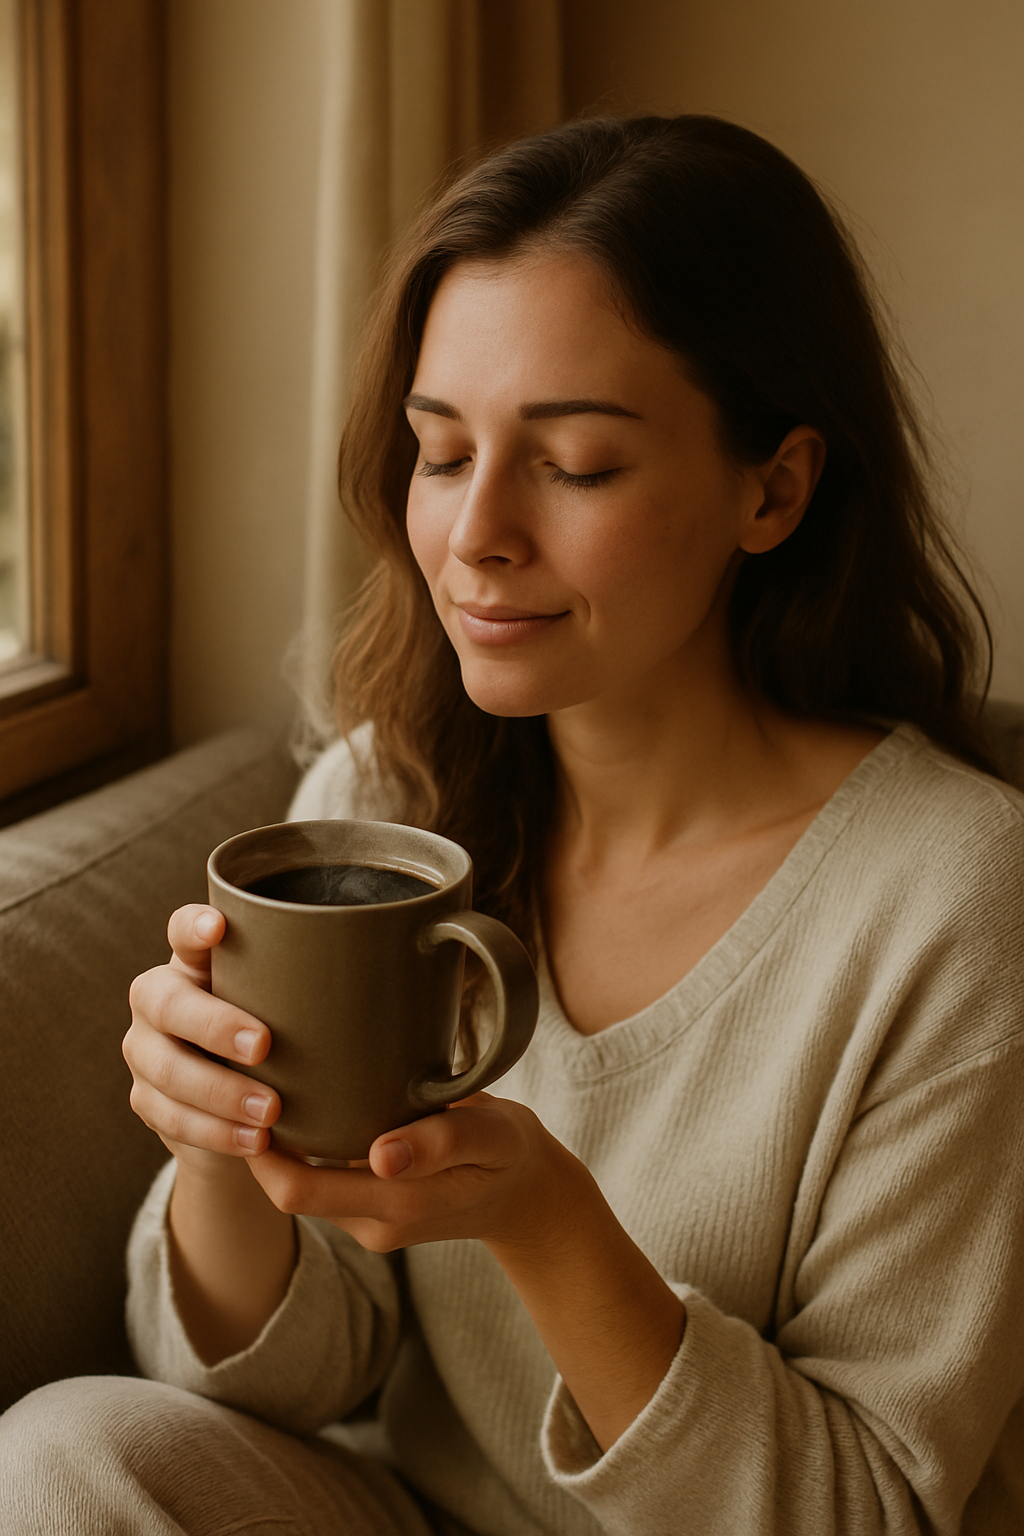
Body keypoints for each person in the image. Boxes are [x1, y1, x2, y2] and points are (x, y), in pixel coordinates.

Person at [1, 114, 1022, 1536]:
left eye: (577, 464)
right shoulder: (380, 804)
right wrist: (218, 1138)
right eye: (439, 452)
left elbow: (867, 1513)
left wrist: (546, 1223)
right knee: (61, 1456)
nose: (476, 532)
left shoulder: (955, 896)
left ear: (774, 487)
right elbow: (279, 1383)